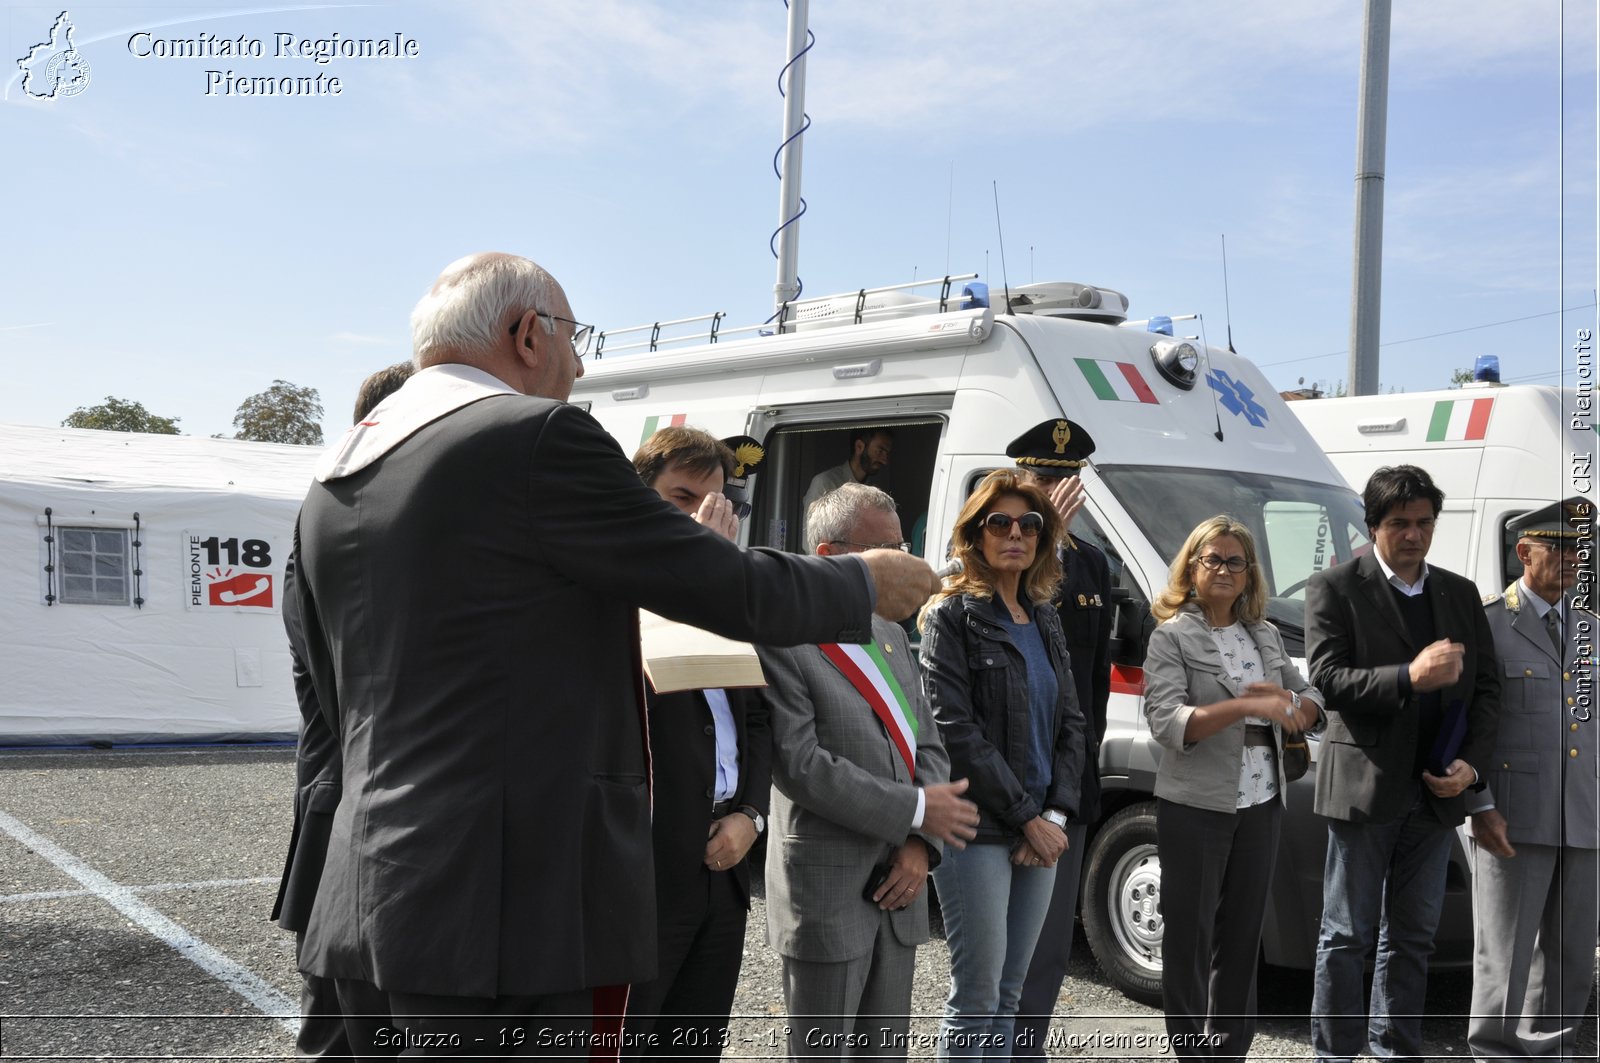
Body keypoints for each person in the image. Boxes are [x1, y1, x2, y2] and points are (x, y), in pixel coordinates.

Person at [291, 252, 942, 1056]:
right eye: (572, 334)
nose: (581, 359)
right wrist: (857, 583)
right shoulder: (533, 437)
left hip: (364, 892)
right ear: (526, 333)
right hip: (502, 915)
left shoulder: (339, 473)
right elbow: (714, 579)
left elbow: (330, 694)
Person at [760, 483, 980, 1061]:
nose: (904, 565)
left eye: (903, 547)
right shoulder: (782, 638)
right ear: (831, 558)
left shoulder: (888, 632)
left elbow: (926, 744)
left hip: (899, 885)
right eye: (885, 550)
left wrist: (919, 843)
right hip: (827, 892)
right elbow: (801, 765)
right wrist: (912, 811)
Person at [1306, 464, 1500, 1063]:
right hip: (1366, 790)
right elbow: (1328, 679)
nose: (1414, 535)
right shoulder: (1336, 586)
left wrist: (1472, 766)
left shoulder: (1459, 593)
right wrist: (1408, 677)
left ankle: (1395, 1049)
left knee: (1412, 936)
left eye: (1424, 523)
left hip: (1438, 793)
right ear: (1373, 526)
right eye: (1399, 524)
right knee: (1346, 935)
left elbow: (1488, 691)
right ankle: (1335, 1053)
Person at [270, 360, 416, 1058]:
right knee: (336, 1034)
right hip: (346, 818)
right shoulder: (333, 530)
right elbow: (353, 694)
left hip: (377, 819)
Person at [918, 469, 1087, 1060]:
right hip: (977, 828)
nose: (1015, 534)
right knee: (977, 999)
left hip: (1040, 825)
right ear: (975, 534)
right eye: (1000, 523)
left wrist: (1056, 817)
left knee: (1011, 996)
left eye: (1029, 524)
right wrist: (1025, 819)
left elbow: (1072, 723)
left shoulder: (1045, 616)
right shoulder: (950, 617)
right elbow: (954, 733)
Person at [1143, 516, 1323, 1061]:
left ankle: (1230, 1053)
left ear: (1249, 575)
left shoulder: (1263, 633)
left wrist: (1300, 708)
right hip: (1196, 805)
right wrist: (1246, 705)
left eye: (1234, 561)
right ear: (1191, 568)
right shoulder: (1170, 635)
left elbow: (1309, 695)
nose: (1223, 569)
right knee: (1190, 941)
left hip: (1262, 801)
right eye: (1211, 559)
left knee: (1243, 938)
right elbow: (1167, 723)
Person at [623, 426, 768, 1059]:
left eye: (715, 502)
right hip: (647, 870)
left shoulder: (727, 595)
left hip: (725, 863)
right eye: (683, 498)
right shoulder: (619, 591)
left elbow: (760, 720)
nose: (702, 516)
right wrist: (692, 573)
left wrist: (752, 816)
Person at [1467, 497, 1598, 1060]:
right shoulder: (1490, 623)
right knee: (1506, 956)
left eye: (1580, 549)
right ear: (1524, 551)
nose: (1574, 559)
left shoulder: (1591, 628)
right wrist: (1480, 804)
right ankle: (1495, 1054)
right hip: (1512, 816)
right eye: (1560, 547)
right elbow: (1466, 727)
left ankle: (1556, 1052)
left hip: (1584, 815)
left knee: (1571, 959)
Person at [1005, 419, 1113, 1059]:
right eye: (1044, 478)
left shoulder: (1092, 560)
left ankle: (1029, 1049)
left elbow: (1092, 684)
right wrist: (1041, 537)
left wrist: (1079, 781)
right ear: (1016, 481)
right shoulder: (997, 555)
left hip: (1066, 782)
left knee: (1047, 944)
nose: (1057, 490)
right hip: (1009, 784)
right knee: (1000, 948)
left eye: (1067, 479)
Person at [802, 427, 893, 512]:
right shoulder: (825, 483)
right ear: (859, 446)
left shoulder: (875, 491)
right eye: (880, 451)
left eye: (887, 454)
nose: (884, 461)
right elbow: (811, 528)